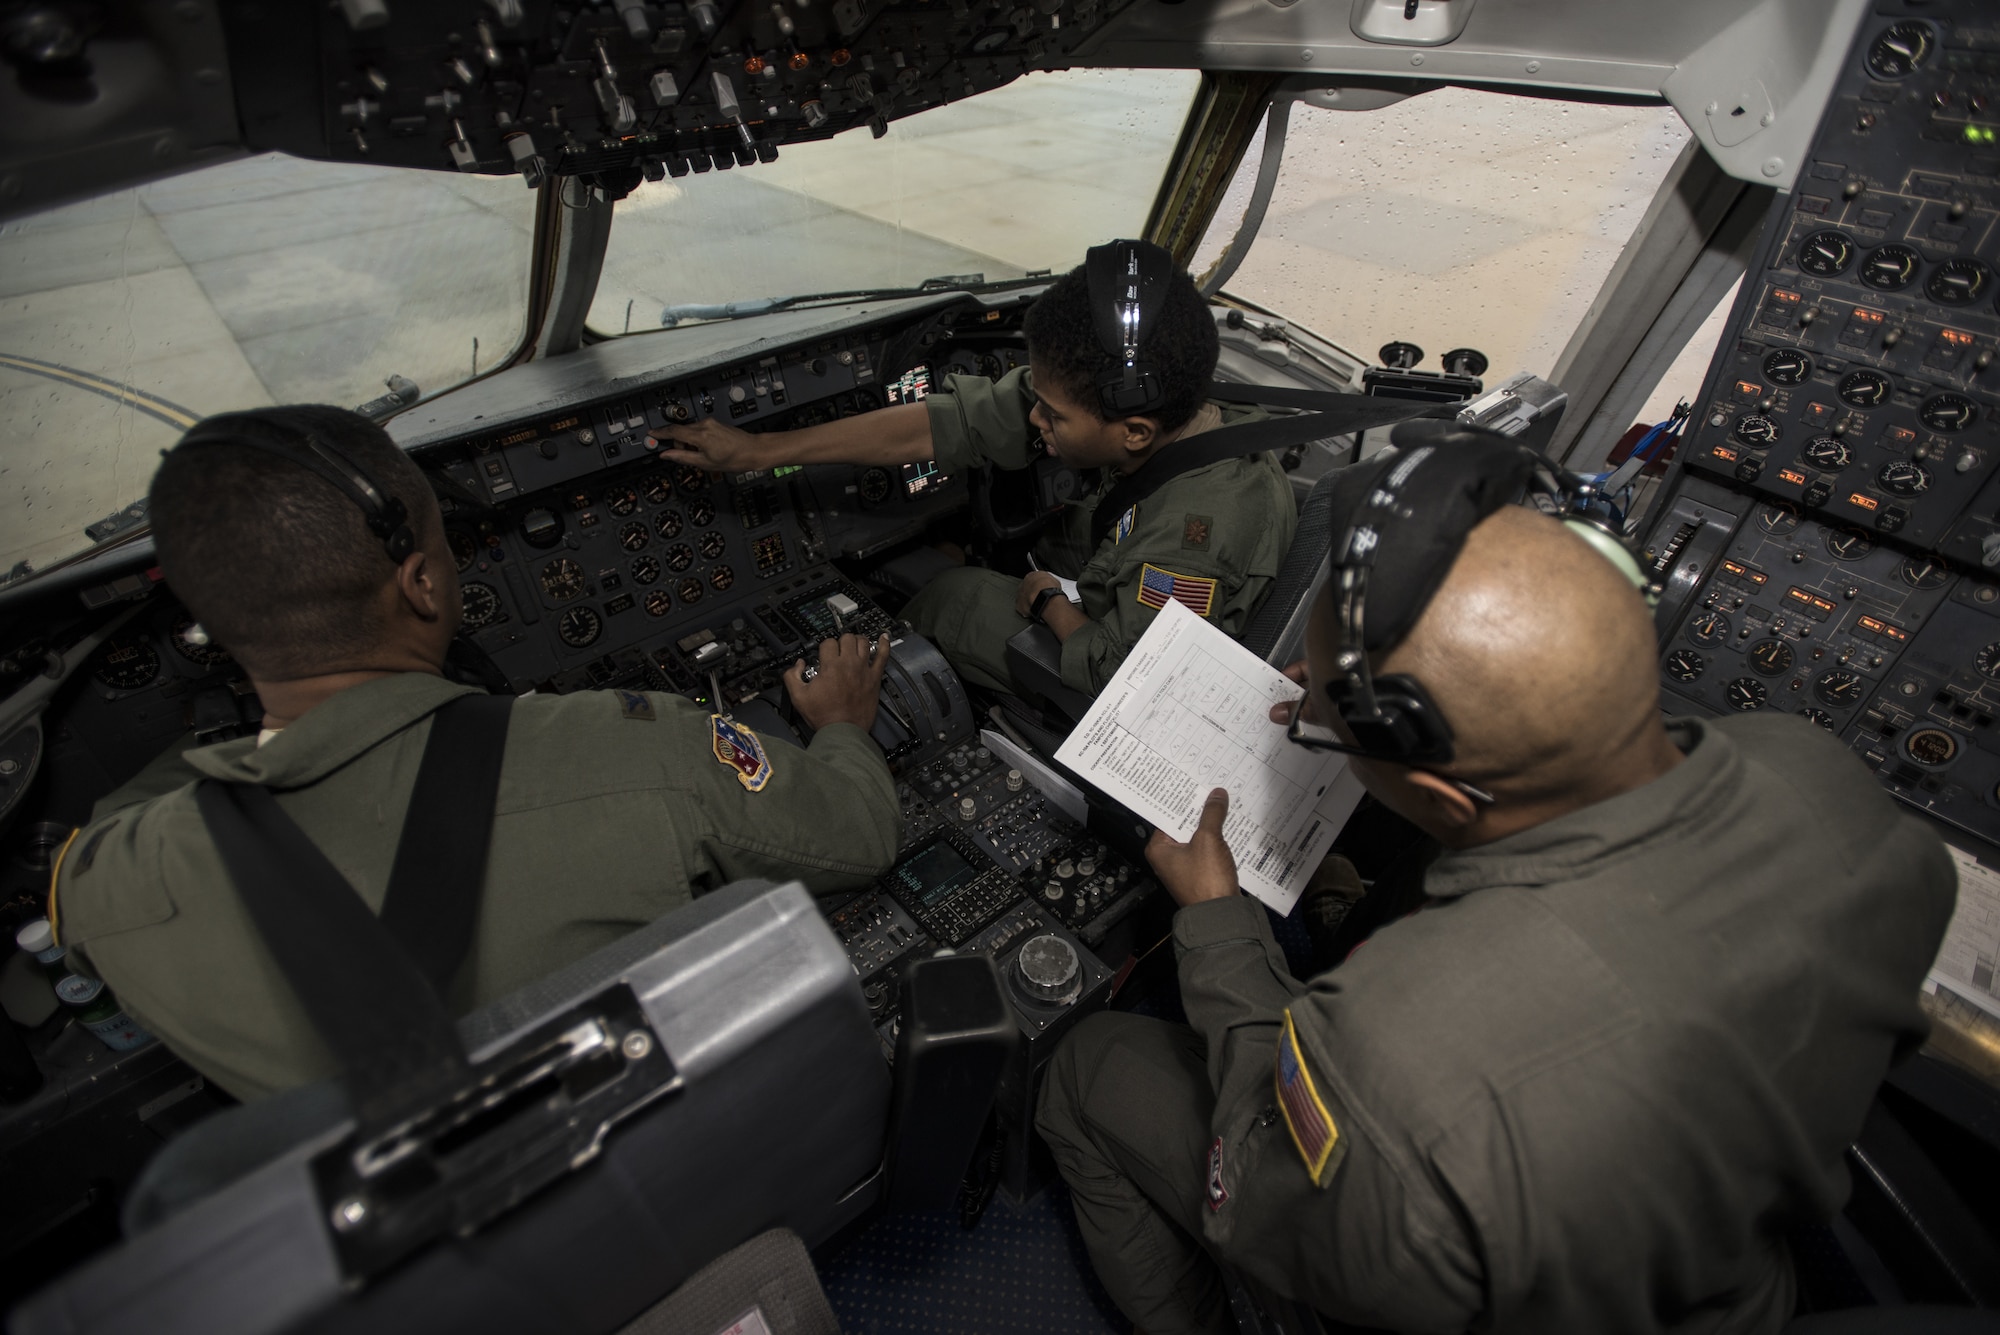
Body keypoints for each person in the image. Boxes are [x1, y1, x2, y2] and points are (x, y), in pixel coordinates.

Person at [1034, 442, 1958, 1334]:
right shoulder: (1818, 775)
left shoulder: (1396, 1059)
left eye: (1319, 715)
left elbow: (1262, 1188)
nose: (1303, 698)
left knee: (1085, 1069)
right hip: (1722, 1275)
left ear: (1440, 791)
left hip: (1440, 1281)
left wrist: (1215, 921)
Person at [49, 406, 902, 1103]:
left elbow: (87, 860)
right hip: (655, 1144)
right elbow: (860, 833)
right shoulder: (640, 747)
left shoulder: (121, 882)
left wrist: (234, 742)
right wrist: (839, 726)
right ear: (423, 582)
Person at [653, 240, 1296, 699]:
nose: (1034, 419)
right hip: (1104, 561)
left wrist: (1046, 599)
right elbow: (944, 423)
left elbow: (1121, 674)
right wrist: (759, 452)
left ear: (1133, 432)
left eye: (1052, 415)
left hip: (1127, 666)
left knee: (952, 597)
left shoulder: (1197, 538)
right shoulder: (1160, 399)